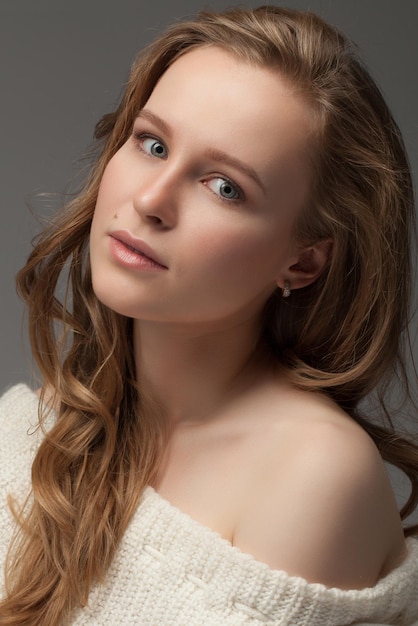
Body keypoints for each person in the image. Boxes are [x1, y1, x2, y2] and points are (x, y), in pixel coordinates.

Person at [1, 4, 417, 625]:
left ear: (302, 263)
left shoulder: (314, 476)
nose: (150, 200)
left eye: (225, 187)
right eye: (152, 143)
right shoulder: (30, 428)